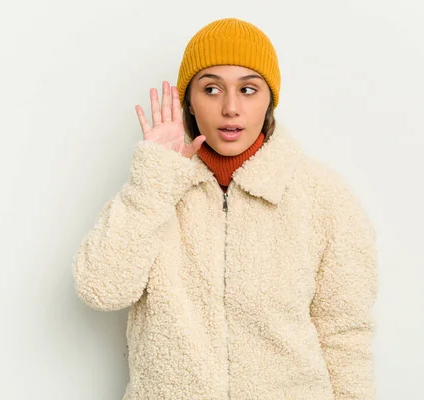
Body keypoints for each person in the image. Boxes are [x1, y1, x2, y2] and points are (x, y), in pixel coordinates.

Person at [72, 17, 378, 400]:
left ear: (270, 100)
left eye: (248, 89)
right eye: (212, 89)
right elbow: (101, 289)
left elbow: (344, 334)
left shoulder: (323, 197)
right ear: (190, 102)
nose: (231, 108)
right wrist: (155, 179)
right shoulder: (156, 187)